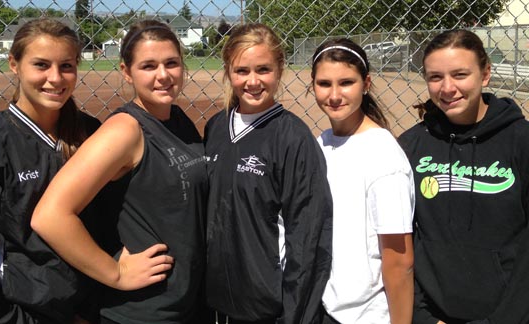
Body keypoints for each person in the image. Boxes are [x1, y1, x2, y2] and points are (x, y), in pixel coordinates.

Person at [31, 19, 209, 324]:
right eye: (148, 66)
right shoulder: (125, 130)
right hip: (142, 311)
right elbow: (49, 216)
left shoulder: (177, 118)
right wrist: (116, 273)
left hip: (185, 303)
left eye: (171, 63)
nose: (163, 75)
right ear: (127, 72)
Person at [0, 18, 103, 323]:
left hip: (92, 307)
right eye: (41, 65)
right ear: (14, 64)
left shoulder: (92, 134)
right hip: (23, 312)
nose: (55, 78)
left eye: (66, 66)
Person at [203, 22, 333, 324]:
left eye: (263, 69)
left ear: (279, 69)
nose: (253, 81)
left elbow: (308, 237)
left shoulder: (293, 138)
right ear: (227, 71)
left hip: (265, 307)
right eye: (241, 71)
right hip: (215, 298)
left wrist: (294, 314)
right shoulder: (216, 127)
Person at [398, 29, 529, 324]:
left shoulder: (520, 141)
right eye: (435, 77)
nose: (447, 88)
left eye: (460, 74)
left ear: (485, 74)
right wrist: (422, 316)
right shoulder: (410, 145)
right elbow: (401, 240)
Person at [311, 38, 415, 324]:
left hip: (366, 315)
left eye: (346, 82)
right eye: (324, 83)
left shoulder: (383, 155)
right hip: (327, 305)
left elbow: (399, 260)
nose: (334, 94)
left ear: (366, 84)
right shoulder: (322, 142)